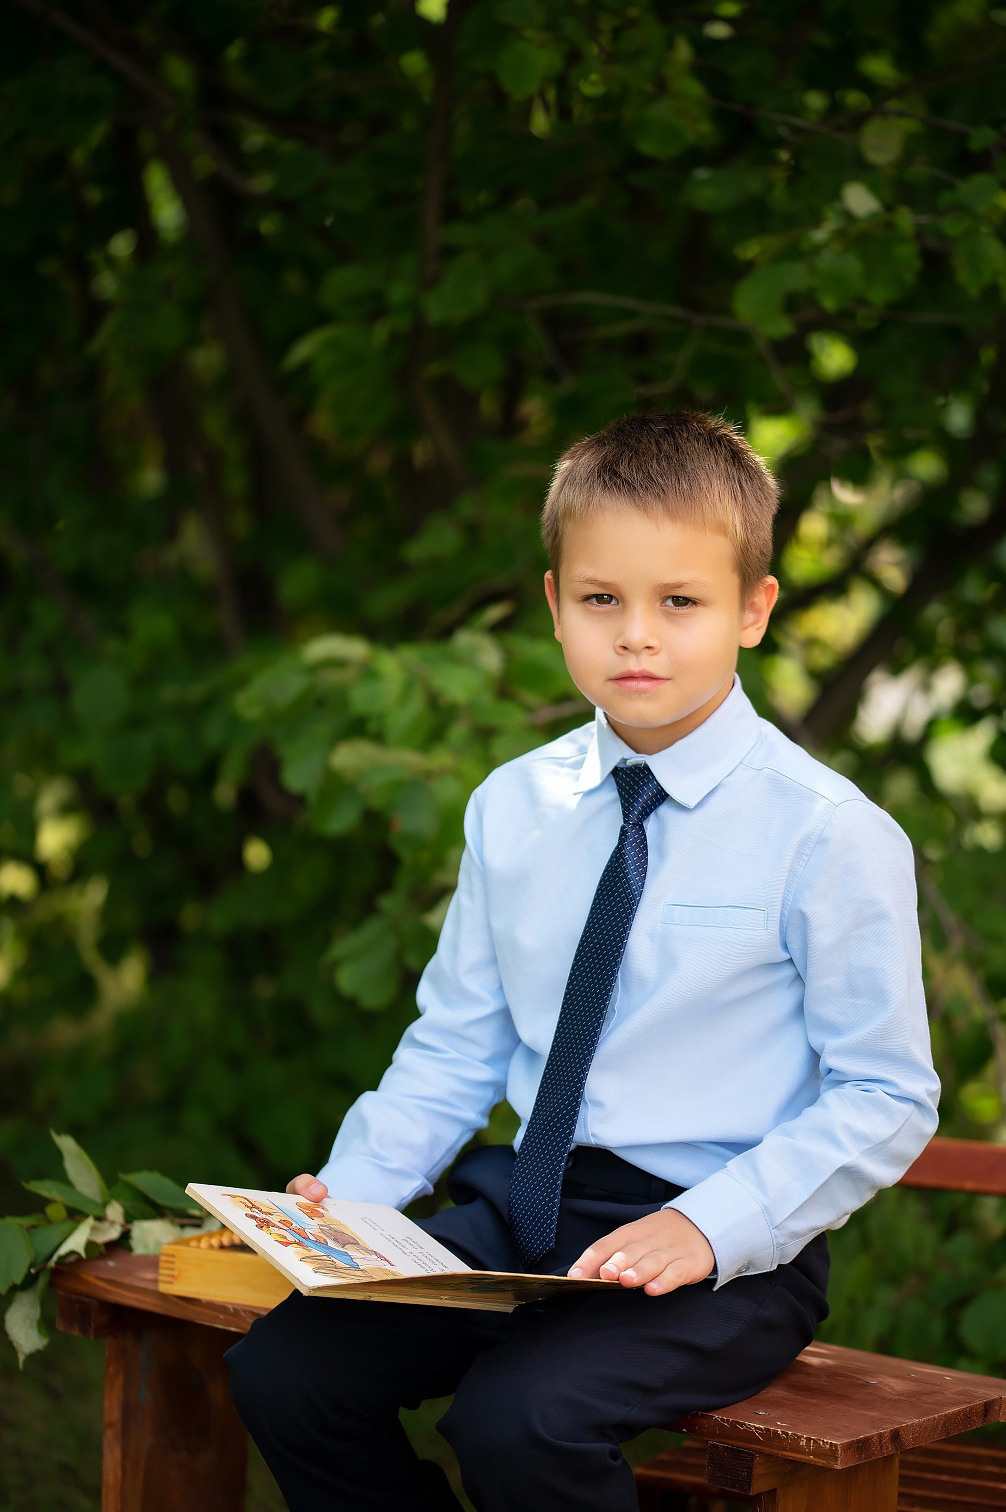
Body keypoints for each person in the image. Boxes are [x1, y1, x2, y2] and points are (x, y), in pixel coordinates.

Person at [225, 410, 940, 1512]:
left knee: (519, 1425)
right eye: (601, 599)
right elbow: (460, 1039)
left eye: (680, 602)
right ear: (556, 605)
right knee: (286, 1371)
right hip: (525, 1212)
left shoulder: (825, 833)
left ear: (753, 611)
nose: (636, 636)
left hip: (719, 1249)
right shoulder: (514, 805)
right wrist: (350, 1200)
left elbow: (885, 1095)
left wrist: (709, 1226)